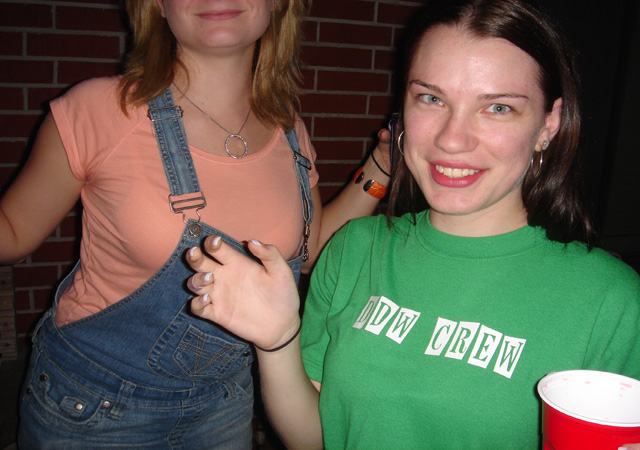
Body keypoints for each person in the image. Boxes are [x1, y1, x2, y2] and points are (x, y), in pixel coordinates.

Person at [185, 0, 640, 448]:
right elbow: (319, 437)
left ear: (548, 124)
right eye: (431, 98)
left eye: (498, 107)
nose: (452, 139)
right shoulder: (354, 249)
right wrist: (278, 341)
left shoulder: (610, 300)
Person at [0, 0, 391, 448]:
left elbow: (310, 252)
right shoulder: (101, 109)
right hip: (92, 408)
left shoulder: (289, 130)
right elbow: (12, 231)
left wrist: (380, 167)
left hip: (224, 406)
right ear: (157, 5)